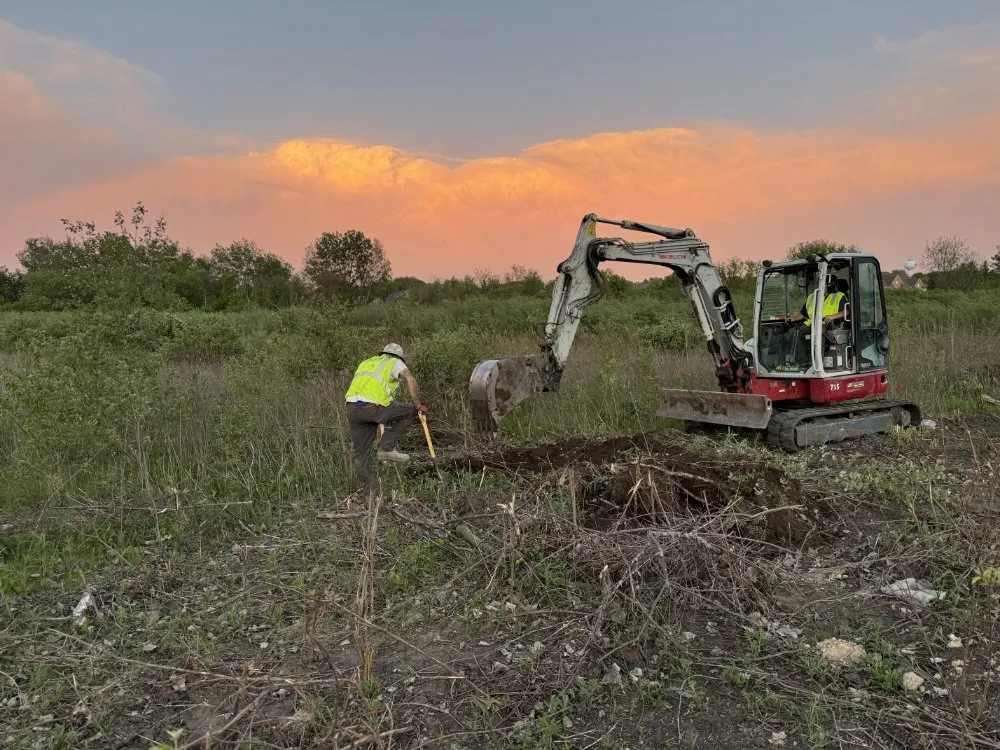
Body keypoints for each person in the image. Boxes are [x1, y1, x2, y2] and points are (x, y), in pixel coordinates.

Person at [344, 343, 427, 492]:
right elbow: (410, 379)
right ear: (399, 356)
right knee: (412, 411)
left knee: (360, 453)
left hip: (352, 409)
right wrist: (418, 404)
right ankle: (386, 447)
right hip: (373, 408)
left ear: (382, 353)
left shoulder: (366, 362)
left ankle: (368, 491)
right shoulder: (395, 362)